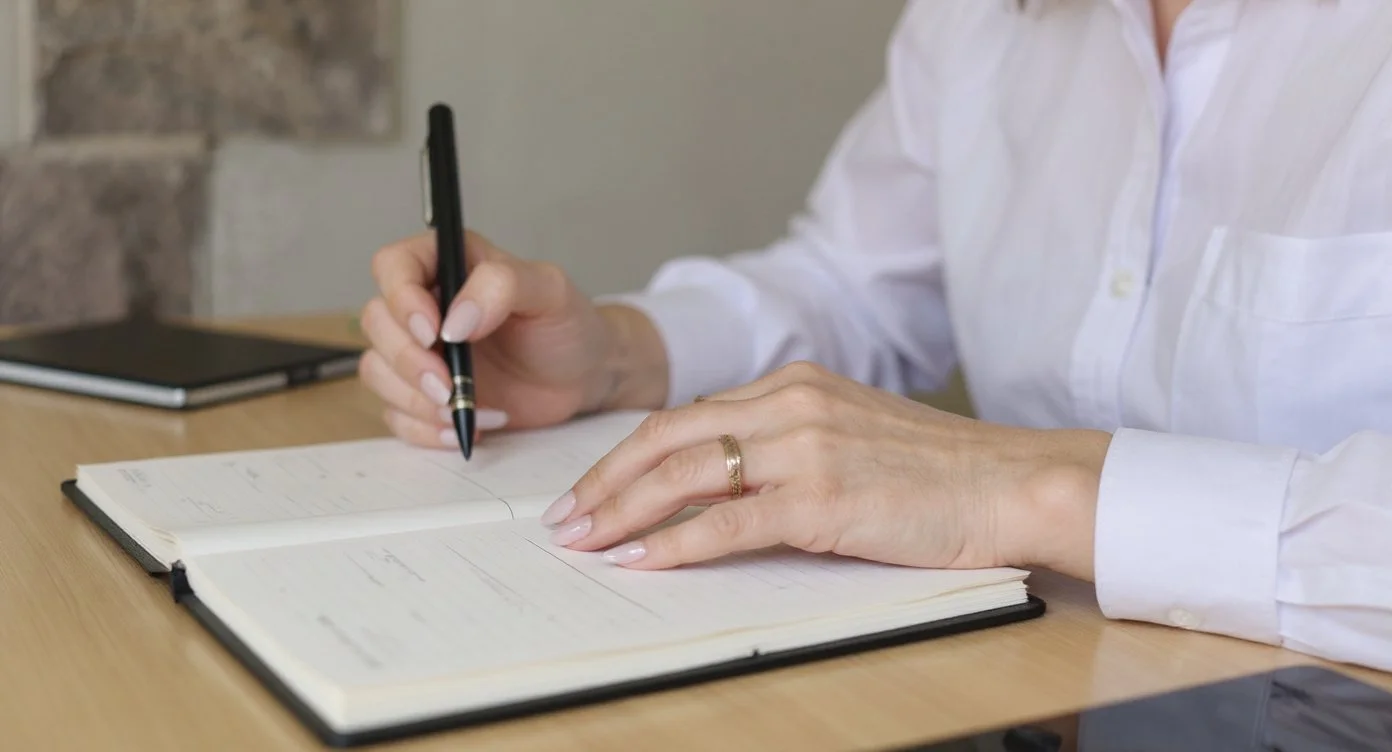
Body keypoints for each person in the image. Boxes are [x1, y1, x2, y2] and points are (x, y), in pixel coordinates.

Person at [358, 0, 1392, 674]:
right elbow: (856, 283)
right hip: (1014, 685)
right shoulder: (979, 21)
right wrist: (614, 353)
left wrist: (1022, 488)